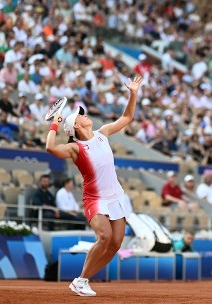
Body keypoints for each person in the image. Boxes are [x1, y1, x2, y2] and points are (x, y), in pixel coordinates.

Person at [45, 75, 143, 297]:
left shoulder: (102, 134)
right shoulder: (75, 149)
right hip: (95, 199)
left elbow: (127, 117)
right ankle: (80, 280)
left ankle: (84, 279)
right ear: (76, 126)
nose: (85, 114)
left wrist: (133, 93)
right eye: (81, 116)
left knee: (116, 243)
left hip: (116, 196)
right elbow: (50, 147)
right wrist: (55, 123)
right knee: (105, 237)